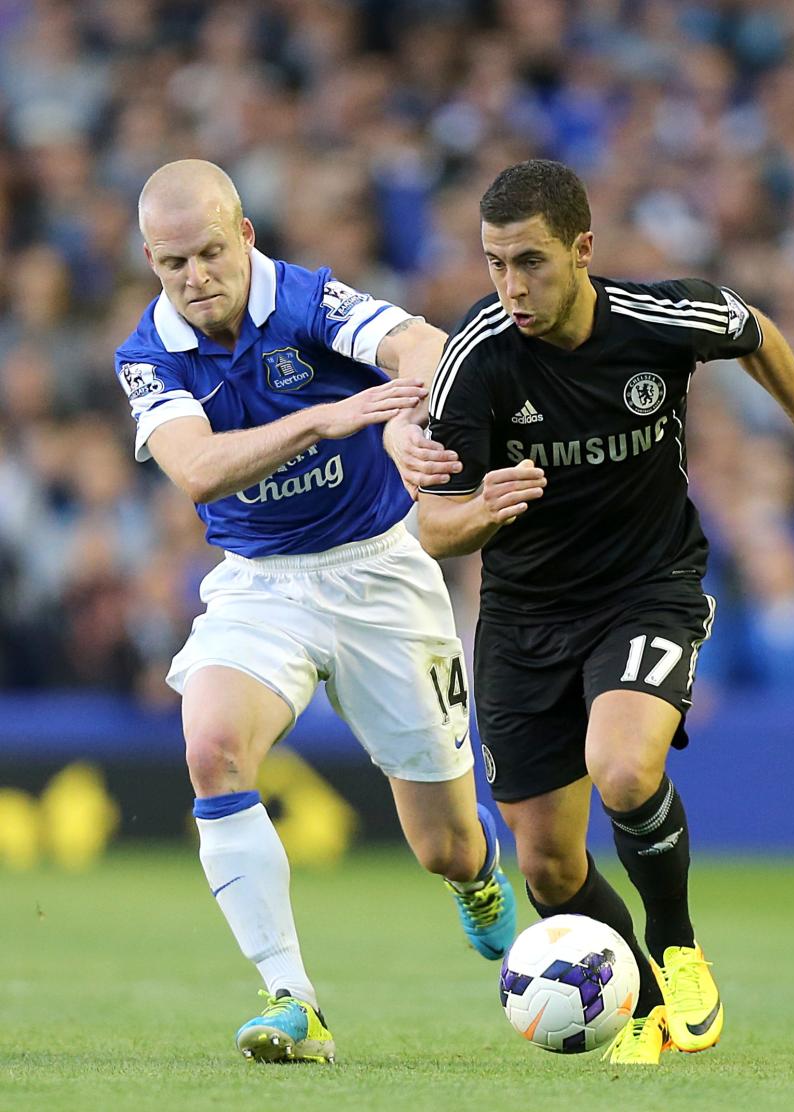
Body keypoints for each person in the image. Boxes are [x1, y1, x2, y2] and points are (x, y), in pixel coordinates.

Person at [417, 159, 794, 1066]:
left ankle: (676, 944)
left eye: (531, 262)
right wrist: (484, 508)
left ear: (583, 250)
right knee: (547, 864)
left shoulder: (659, 318)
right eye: (495, 264)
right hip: (523, 617)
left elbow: (756, 332)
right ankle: (648, 1004)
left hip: (648, 588)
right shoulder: (475, 359)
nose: (511, 286)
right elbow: (433, 526)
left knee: (622, 771)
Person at [114, 159, 516, 1064]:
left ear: (245, 235)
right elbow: (197, 470)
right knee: (211, 747)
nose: (194, 277)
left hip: (381, 571)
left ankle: (481, 873)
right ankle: (291, 1001)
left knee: (445, 847)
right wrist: (326, 421)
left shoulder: (311, 302)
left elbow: (423, 342)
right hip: (262, 582)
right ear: (151, 259)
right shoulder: (148, 353)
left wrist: (409, 414)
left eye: (210, 252)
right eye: (172, 263)